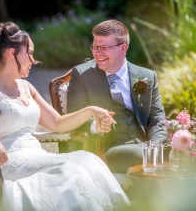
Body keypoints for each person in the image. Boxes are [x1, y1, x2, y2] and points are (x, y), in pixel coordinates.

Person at [0, 21, 131, 211]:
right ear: (12, 53)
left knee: (87, 159)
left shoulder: (26, 87)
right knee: (70, 169)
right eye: (29, 53)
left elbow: (58, 123)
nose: (34, 60)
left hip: (36, 156)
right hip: (7, 163)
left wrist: (90, 110)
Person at [67, 19, 168, 174]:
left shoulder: (147, 76)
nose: (97, 53)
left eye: (104, 47)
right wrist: (96, 125)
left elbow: (157, 118)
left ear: (123, 49)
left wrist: (155, 145)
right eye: (95, 46)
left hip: (144, 144)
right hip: (109, 148)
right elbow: (73, 117)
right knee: (140, 155)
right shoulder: (82, 75)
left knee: (185, 151)